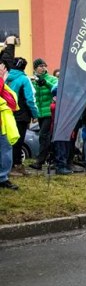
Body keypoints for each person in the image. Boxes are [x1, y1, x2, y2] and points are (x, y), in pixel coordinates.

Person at [7, 57, 39, 177]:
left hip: (7, 113)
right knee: (18, 141)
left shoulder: (5, 78)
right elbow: (30, 99)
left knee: (7, 141)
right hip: (21, 114)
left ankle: (7, 166)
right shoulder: (24, 79)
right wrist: (34, 114)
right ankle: (17, 166)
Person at [29, 57, 57, 169]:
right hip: (40, 113)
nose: (43, 68)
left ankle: (40, 161)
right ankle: (49, 159)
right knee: (46, 137)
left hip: (49, 113)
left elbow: (56, 88)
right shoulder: (33, 81)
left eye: (44, 66)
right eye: (40, 66)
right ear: (35, 68)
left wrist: (45, 83)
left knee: (43, 136)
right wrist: (34, 114)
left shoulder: (51, 79)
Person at [0, 37, 20, 190]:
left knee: (6, 148)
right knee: (5, 148)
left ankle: (3, 177)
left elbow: (6, 62)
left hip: (3, 119)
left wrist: (10, 46)